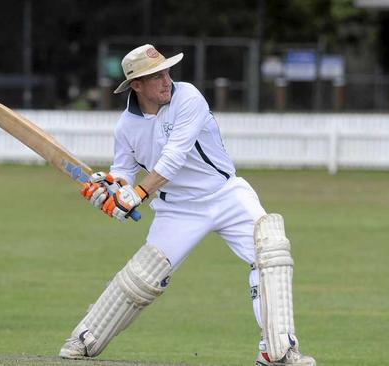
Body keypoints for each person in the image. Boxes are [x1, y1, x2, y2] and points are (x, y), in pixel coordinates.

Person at [59, 44, 316, 366]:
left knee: (271, 252)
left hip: (226, 194)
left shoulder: (188, 97)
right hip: (176, 208)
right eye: (156, 77)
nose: (166, 81)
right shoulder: (126, 126)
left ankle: (277, 350)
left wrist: (136, 194)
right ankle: (85, 340)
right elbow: (123, 171)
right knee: (143, 277)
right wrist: (110, 191)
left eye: (166, 72)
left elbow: (174, 157)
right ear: (136, 85)